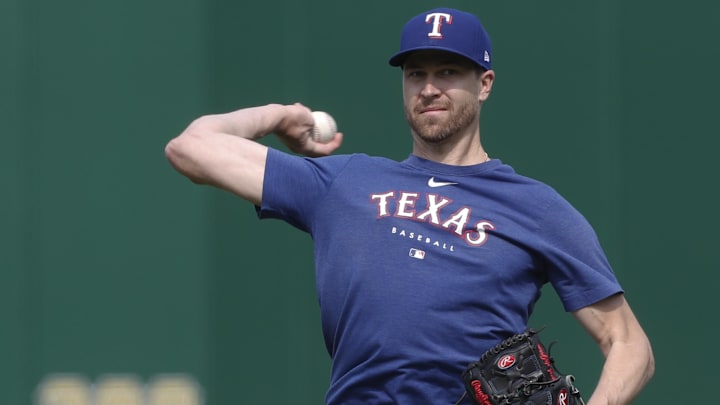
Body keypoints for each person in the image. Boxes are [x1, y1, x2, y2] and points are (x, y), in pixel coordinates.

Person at [165, 7, 654, 405]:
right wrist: (281, 115)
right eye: (416, 73)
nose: (429, 87)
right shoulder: (344, 181)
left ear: (484, 83)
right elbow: (191, 147)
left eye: (448, 71)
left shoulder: (536, 208)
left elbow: (630, 344)